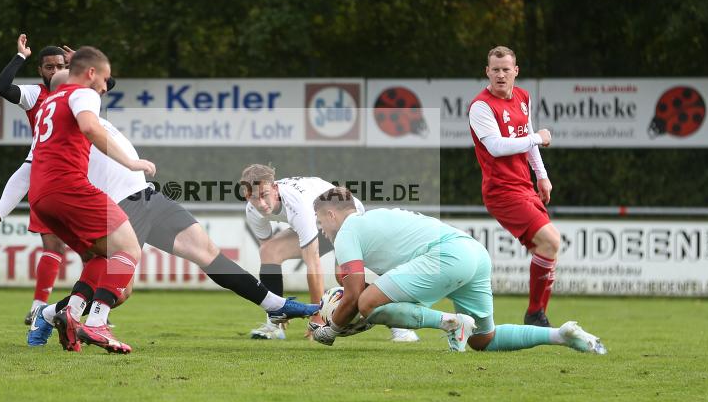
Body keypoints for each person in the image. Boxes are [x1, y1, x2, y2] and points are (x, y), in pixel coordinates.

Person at [0, 71, 319, 349]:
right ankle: (54, 313)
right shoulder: (56, 128)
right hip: (116, 206)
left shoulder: (83, 106)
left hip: (147, 197)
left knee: (207, 252)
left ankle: (273, 304)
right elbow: (26, 171)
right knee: (122, 291)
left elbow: (103, 80)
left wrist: (86, 67)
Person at [309, 187, 605, 355]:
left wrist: (331, 329)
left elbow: (353, 296)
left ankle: (451, 322)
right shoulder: (371, 220)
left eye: (320, 220)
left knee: (367, 303)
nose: (320, 228)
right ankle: (562, 336)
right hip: (473, 253)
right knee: (483, 339)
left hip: (446, 256)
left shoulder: (348, 230)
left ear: (332, 214)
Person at [21, 45, 154, 354]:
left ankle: (68, 313)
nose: (106, 87)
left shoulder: (48, 102)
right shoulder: (82, 93)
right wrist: (132, 163)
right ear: (91, 74)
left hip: (42, 197)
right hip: (69, 188)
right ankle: (96, 322)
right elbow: (90, 128)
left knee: (102, 258)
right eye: (105, 79)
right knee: (129, 249)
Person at [239, 164, 419, 343]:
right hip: (318, 221)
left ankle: (401, 326)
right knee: (269, 251)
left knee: (345, 277)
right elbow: (268, 253)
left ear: (275, 188)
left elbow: (313, 262)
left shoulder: (297, 204)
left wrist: (316, 318)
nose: (260, 204)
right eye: (253, 198)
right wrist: (279, 304)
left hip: (343, 217)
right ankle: (274, 324)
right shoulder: (253, 210)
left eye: (264, 195)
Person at [468, 46, 560, 327]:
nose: (500, 75)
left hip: (525, 186)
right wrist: (538, 138)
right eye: (495, 69)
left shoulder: (522, 97)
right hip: (502, 191)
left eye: (506, 69)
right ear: (487, 72)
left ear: (515, 71)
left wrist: (541, 175)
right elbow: (496, 147)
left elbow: (526, 137)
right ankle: (535, 315)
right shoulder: (481, 106)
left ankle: (536, 315)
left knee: (547, 249)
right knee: (551, 241)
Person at [0, 34, 73, 326]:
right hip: (46, 174)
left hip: (77, 176)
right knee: (54, 247)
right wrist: (20, 56)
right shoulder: (34, 94)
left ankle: (91, 305)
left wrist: (81, 63)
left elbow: (108, 83)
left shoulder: (78, 91)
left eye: (60, 66)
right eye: (49, 67)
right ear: (40, 70)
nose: (54, 71)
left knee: (96, 248)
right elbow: (2, 87)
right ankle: (39, 308)